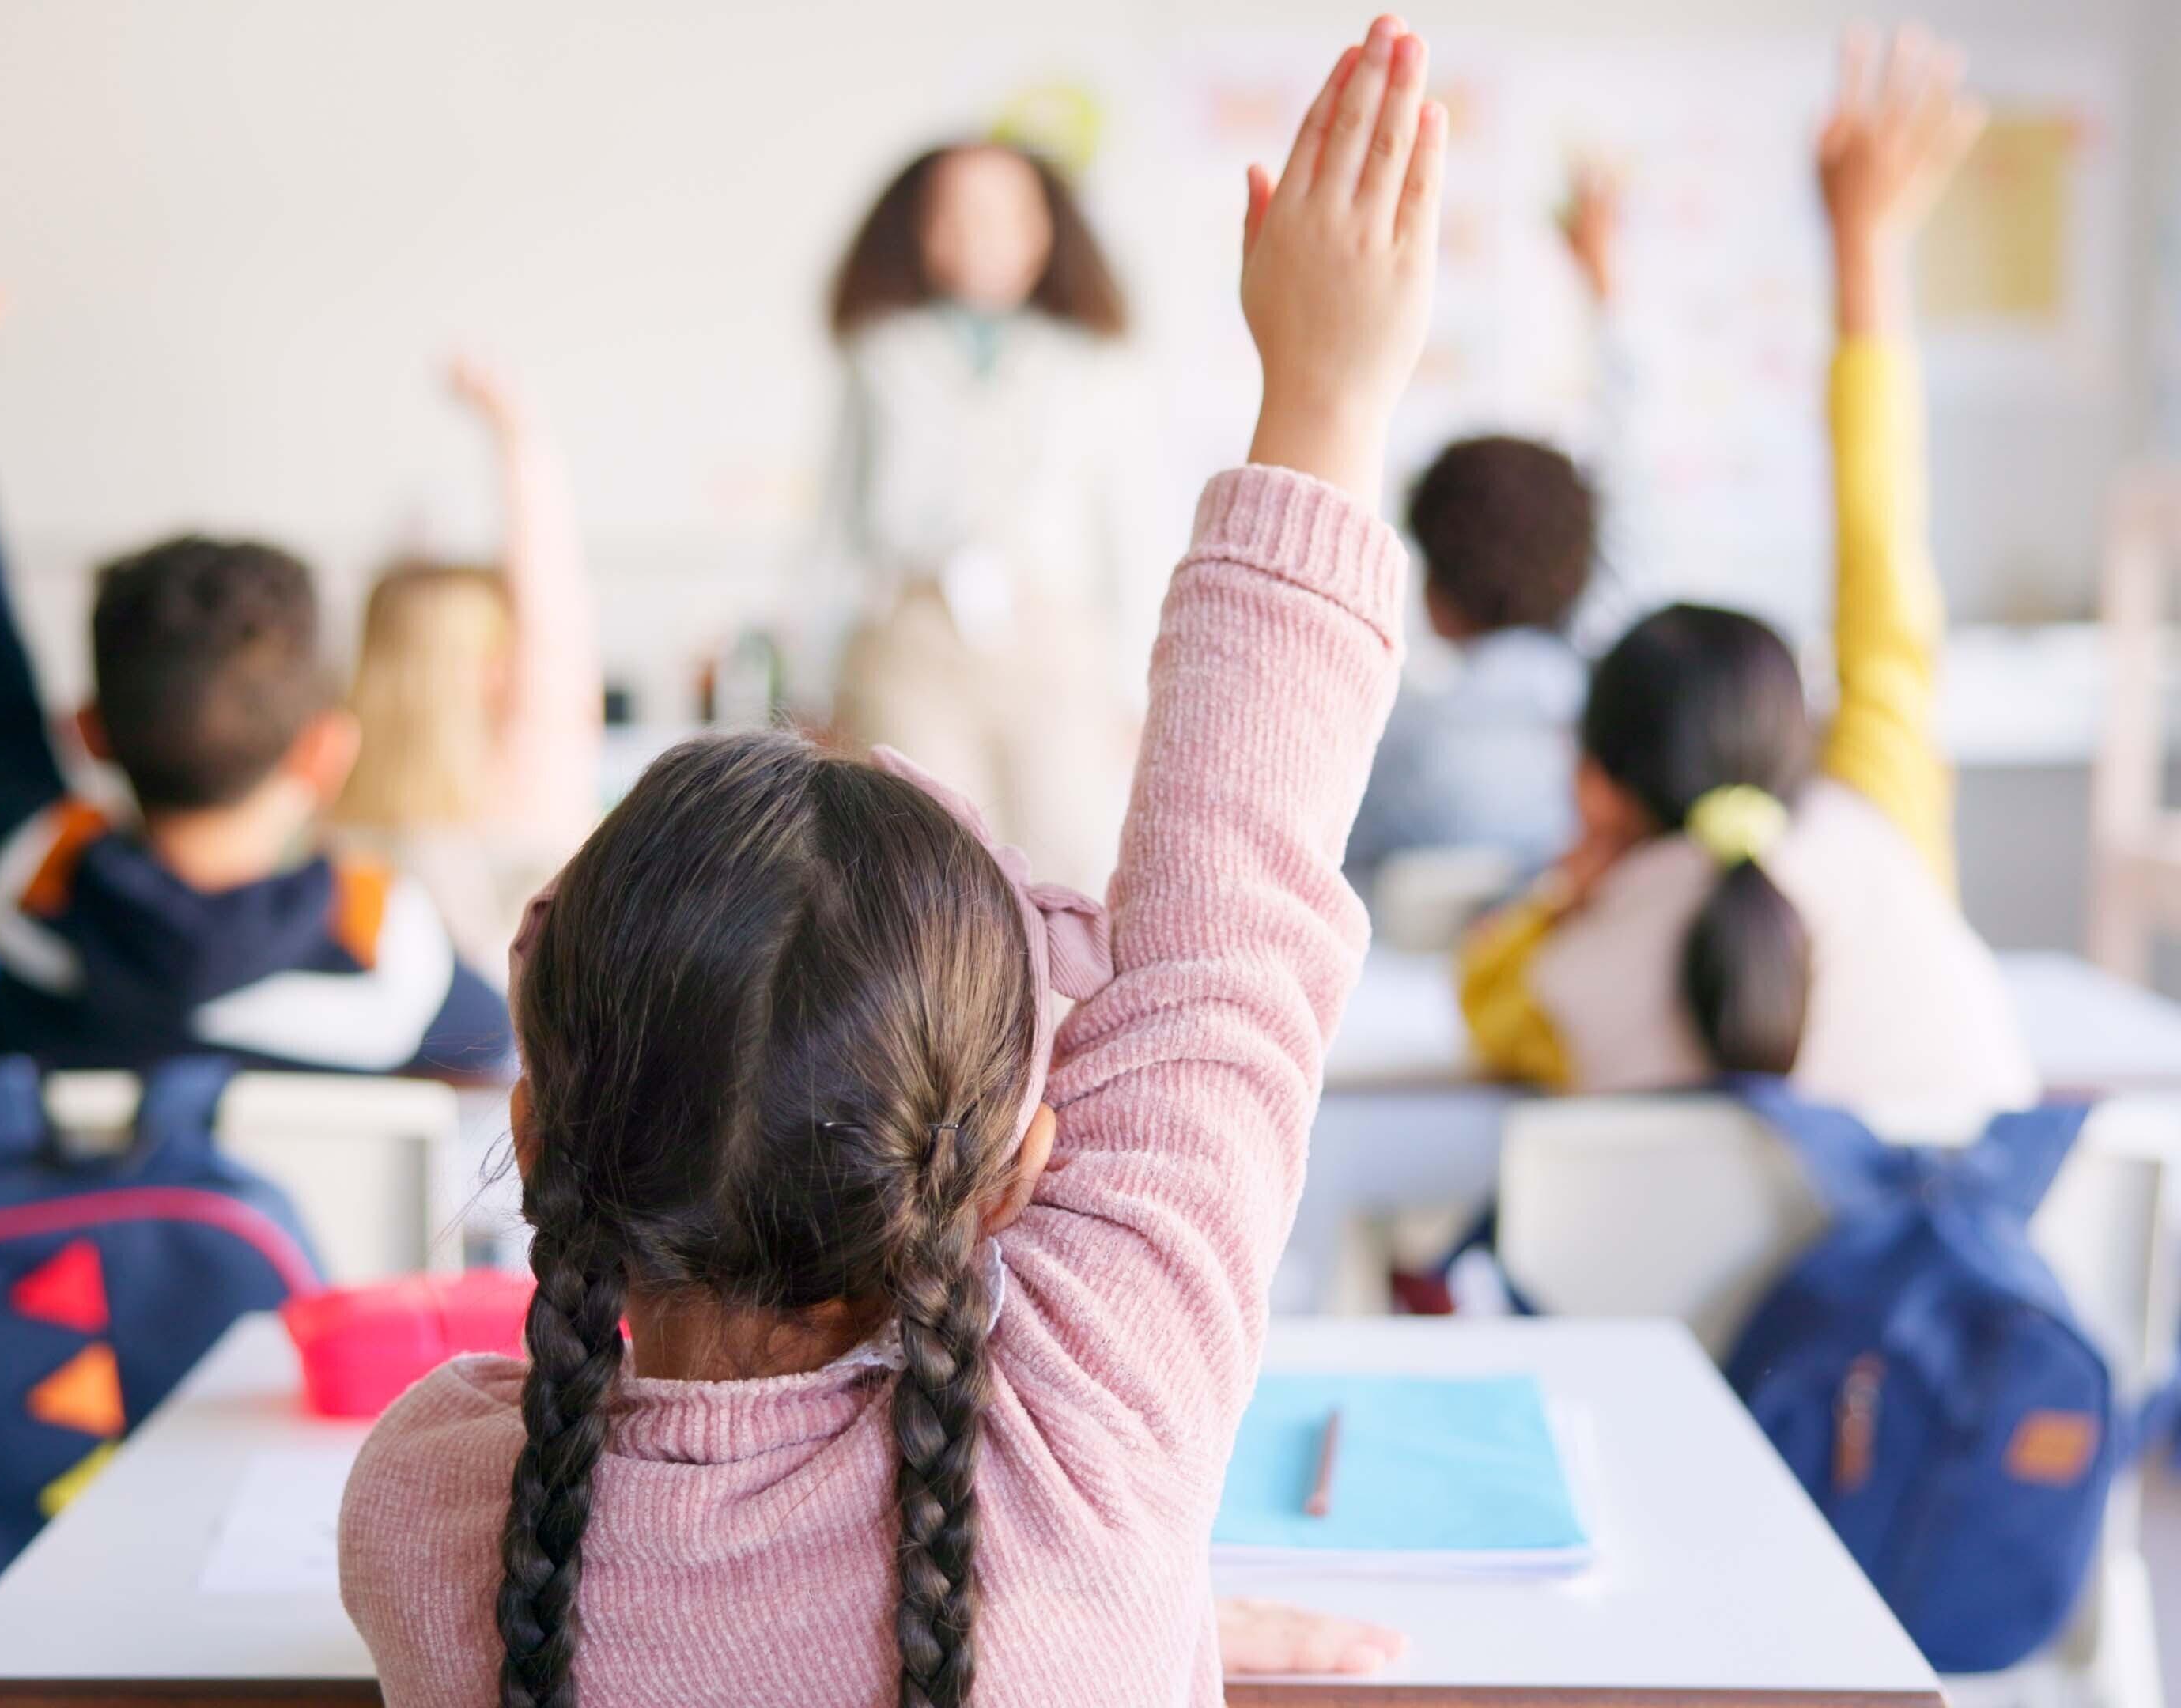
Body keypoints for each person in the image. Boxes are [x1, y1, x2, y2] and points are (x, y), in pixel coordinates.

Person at [336, 18, 1442, 1706]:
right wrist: (1329, 387)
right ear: (1008, 1175)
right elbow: (1227, 939)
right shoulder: (1101, 1448)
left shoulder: (427, 1517)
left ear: (538, 1128)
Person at [1457, 25, 2034, 1113]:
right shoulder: (1879, 815)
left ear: (1594, 788)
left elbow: (1476, 990)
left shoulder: (1561, 987)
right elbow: (1884, 549)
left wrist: (1565, 894)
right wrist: (1866, 246)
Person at [0, 199, 510, 1078]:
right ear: (324, 752)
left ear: (87, 733)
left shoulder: (33, 884)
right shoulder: (393, 956)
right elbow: (501, 1057)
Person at [807, 136, 1159, 892]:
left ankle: (1065, 1016)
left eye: (1003, 214)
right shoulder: (879, 355)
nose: (977, 234)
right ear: (918, 231)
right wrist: (809, 681)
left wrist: (1135, 688)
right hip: (912, 645)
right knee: (918, 869)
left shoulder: (1097, 364)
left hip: (1056, 649)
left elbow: (1130, 537)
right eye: (952, 215)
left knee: (1070, 860)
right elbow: (833, 532)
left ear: (1045, 231)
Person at [1346, 158, 1650, 897]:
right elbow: (1632, 447)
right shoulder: (1623, 754)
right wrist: (1603, 287)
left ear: (1437, 592)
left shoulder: (1392, 753)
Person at [333, 354, 604, 977]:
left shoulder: (336, 802)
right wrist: (518, 432)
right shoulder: (530, 782)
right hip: (512, 1065)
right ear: (488, 665)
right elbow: (555, 607)